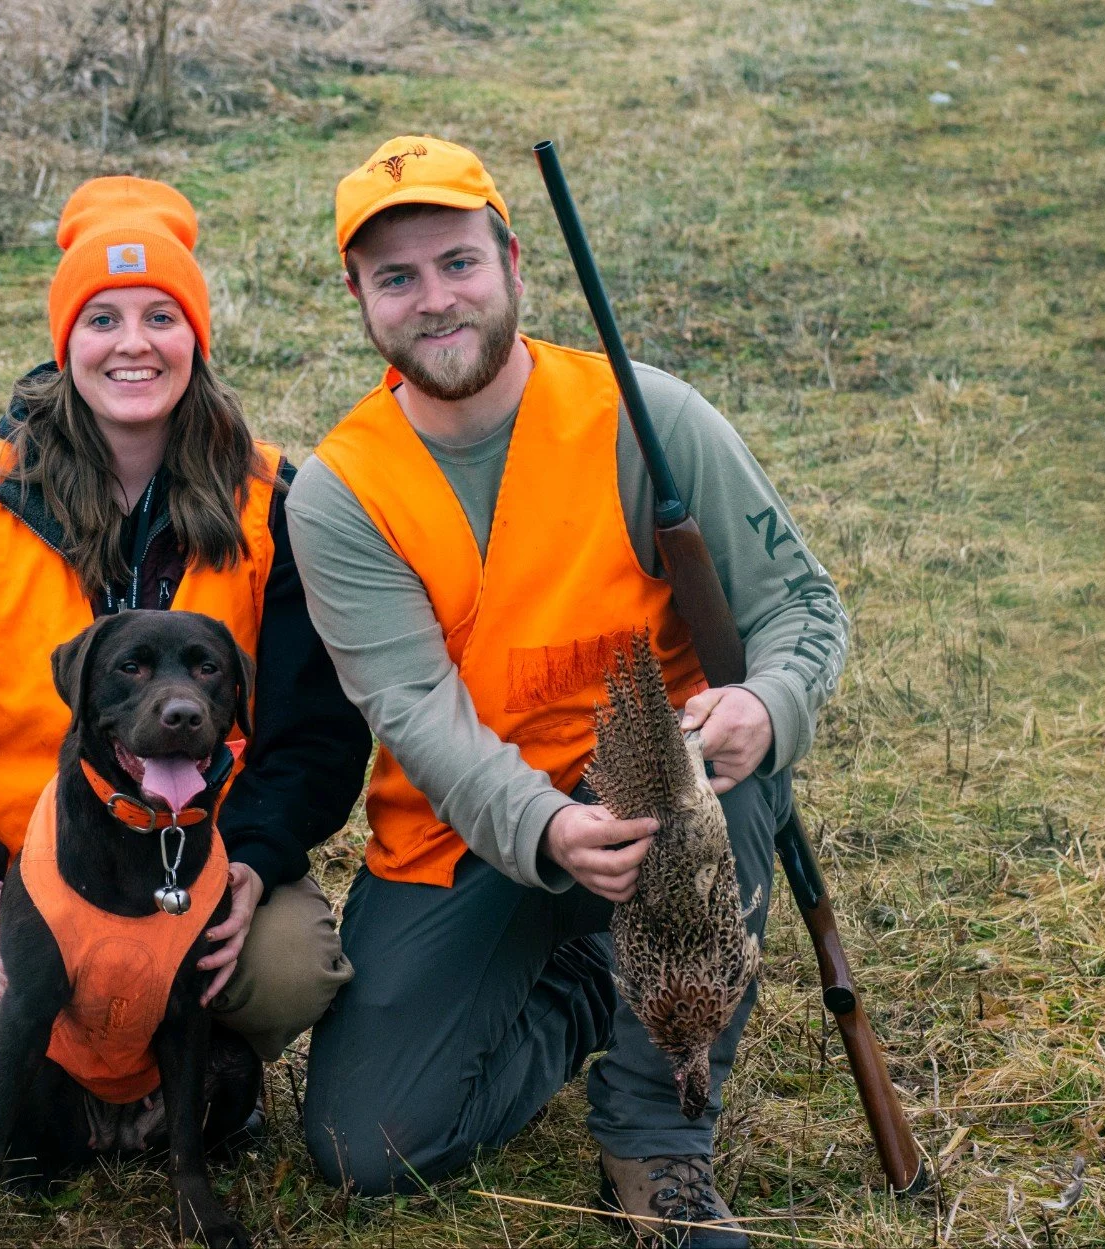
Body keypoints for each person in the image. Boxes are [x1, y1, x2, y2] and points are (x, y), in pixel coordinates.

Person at [287, 137, 850, 1247]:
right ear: (358, 298)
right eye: (396, 278)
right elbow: (414, 714)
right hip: (473, 837)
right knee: (369, 1147)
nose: (435, 300)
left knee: (728, 778)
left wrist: (767, 706)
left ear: (510, 261)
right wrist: (546, 828)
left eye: (457, 262)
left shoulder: (648, 418)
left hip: (663, 801)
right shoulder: (342, 491)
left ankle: (655, 1139)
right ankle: (595, 985)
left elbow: (800, 608)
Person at [0, 175, 370, 1134]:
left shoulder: (267, 500)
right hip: (13, 865)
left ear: (194, 335)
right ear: (64, 341)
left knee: (290, 968)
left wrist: (249, 865)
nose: (132, 344)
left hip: (195, 857)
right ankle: (47, 1058)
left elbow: (317, 732)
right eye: (101, 318)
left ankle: (194, 1069)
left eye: (161, 315)